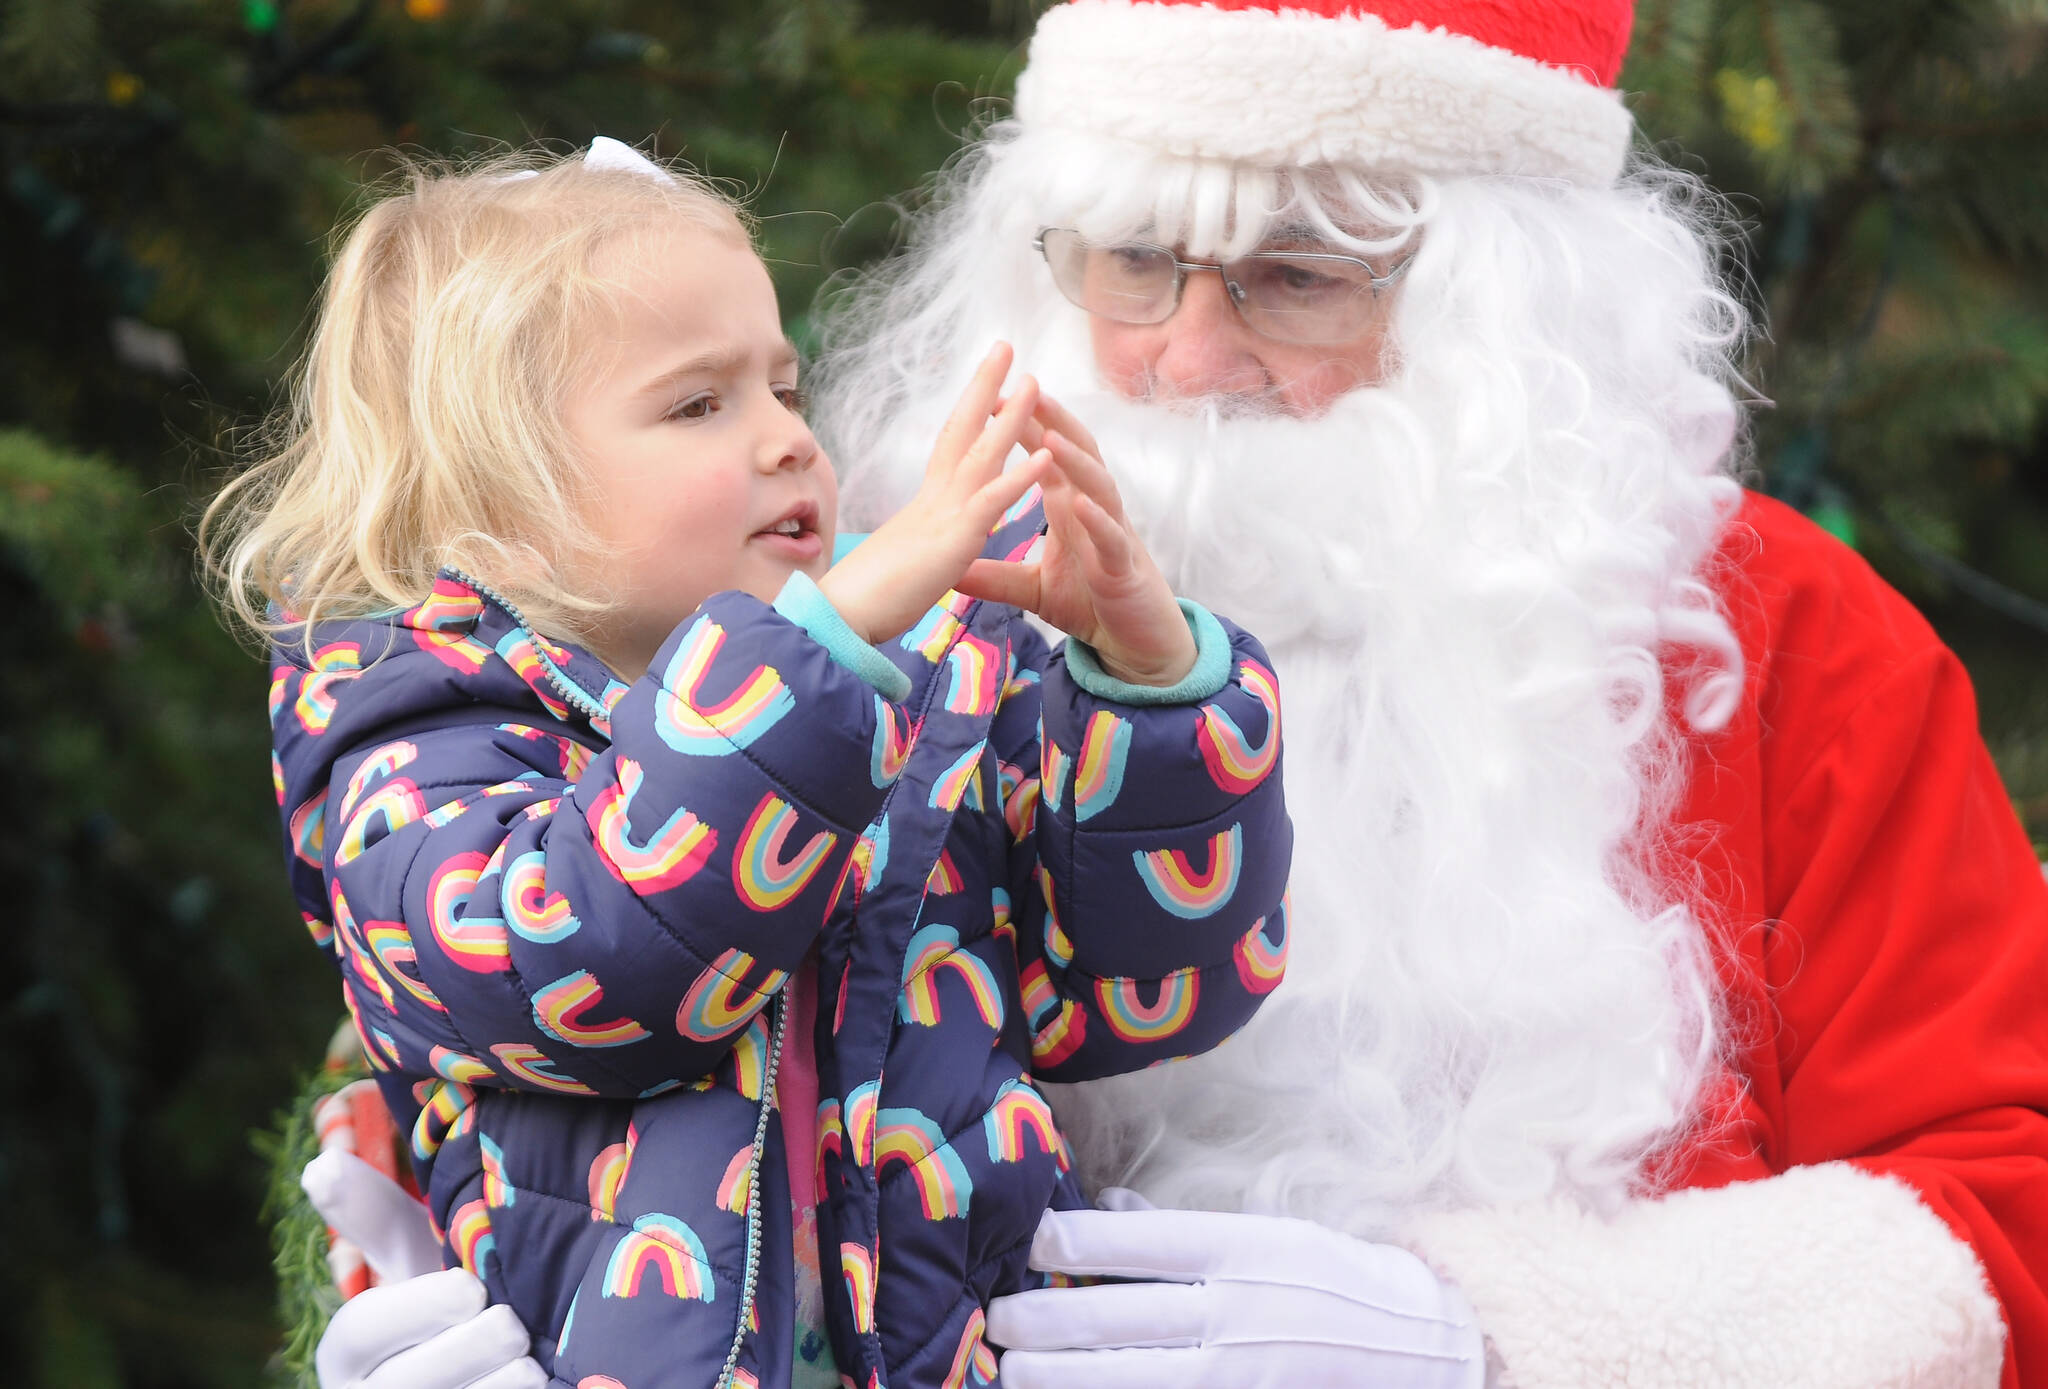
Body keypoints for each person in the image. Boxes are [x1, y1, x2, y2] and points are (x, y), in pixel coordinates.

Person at [304, 1, 2048, 1385]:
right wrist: (415, 1285)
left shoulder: (1761, 635)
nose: (1185, 361)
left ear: (1507, 310)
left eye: (1296, 275)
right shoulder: (815, 600)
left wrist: (1509, 1343)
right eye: (1130, 263)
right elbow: (543, 986)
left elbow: (2004, 1207)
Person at [208, 138, 1292, 1389]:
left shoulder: (919, 699)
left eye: (784, 387)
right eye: (697, 403)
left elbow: (1136, 995)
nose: (787, 439)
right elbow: (599, 961)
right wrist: (817, 650)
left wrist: (1149, 687)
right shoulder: (422, 745)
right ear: (489, 507)